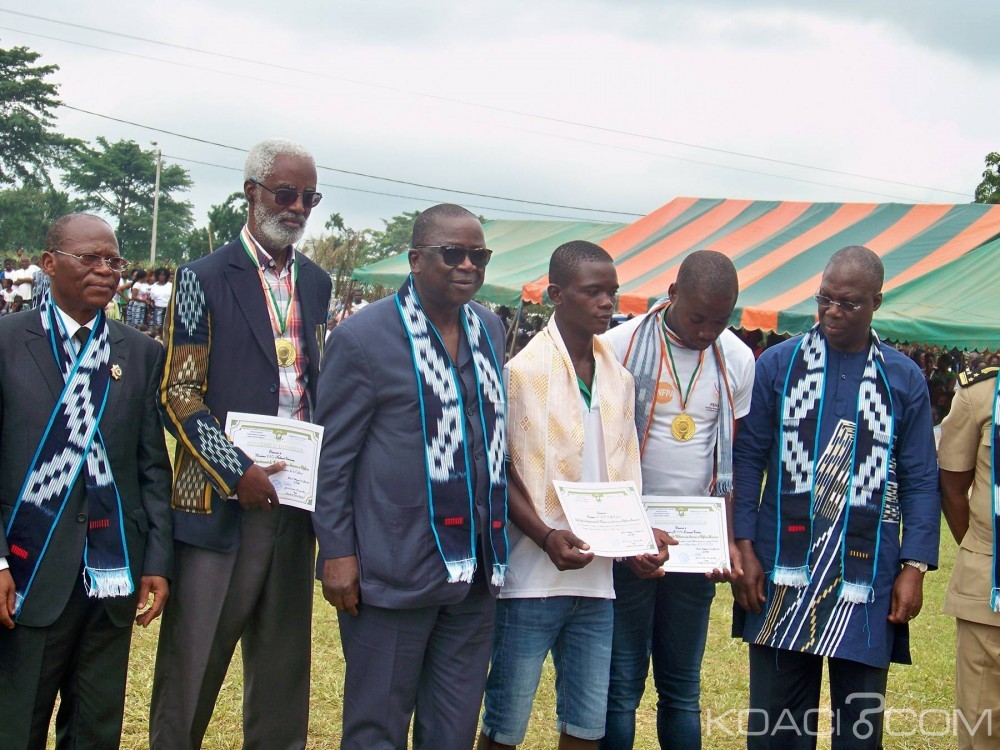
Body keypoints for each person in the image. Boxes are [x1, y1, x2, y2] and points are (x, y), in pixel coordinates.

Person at [149, 138, 332, 750]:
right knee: (193, 669)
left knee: (283, 676)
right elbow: (177, 394)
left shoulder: (317, 282)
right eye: (286, 193)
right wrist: (236, 470)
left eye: (310, 197)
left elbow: (308, 382)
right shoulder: (202, 277)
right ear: (251, 194)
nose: (299, 207)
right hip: (221, 505)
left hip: (292, 502)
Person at [314, 203, 508, 750]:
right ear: (416, 258)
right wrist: (337, 551)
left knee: (451, 730)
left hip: (474, 567)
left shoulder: (489, 328)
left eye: (479, 255)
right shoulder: (363, 338)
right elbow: (332, 461)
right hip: (393, 566)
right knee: (377, 727)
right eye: (453, 254)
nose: (468, 265)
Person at [731, 246, 940, 748]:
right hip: (783, 567)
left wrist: (915, 566)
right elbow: (748, 458)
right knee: (777, 730)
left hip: (866, 579)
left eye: (849, 303)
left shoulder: (903, 378)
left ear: (877, 303)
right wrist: (743, 544)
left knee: (859, 732)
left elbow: (920, 477)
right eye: (825, 299)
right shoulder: (778, 364)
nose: (831, 312)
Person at [478, 241, 671, 750]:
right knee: (505, 722)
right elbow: (502, 474)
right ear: (556, 295)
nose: (608, 302)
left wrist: (638, 537)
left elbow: (621, 473)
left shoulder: (620, 380)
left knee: (587, 724)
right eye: (593, 292)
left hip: (597, 583)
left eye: (613, 292)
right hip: (530, 579)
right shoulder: (521, 374)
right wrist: (544, 536)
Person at [0, 213, 172, 749]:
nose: (106, 271)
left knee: (97, 729)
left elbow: (151, 466)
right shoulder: (7, 342)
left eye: (114, 261)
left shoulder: (140, 353)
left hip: (112, 572)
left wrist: (157, 563)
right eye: (90, 259)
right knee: (15, 724)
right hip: (28, 571)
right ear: (48, 264)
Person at [601, 250, 755, 749]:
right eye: (697, 317)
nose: (708, 329)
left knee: (682, 690)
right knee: (621, 689)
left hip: (695, 547)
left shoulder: (736, 357)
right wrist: (626, 534)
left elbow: (728, 457)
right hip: (629, 542)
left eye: (721, 319)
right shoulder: (618, 346)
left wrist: (726, 541)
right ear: (671, 295)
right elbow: (599, 447)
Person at [939, 363, 1000, 749]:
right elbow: (952, 485)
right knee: (982, 730)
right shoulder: (982, 393)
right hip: (989, 596)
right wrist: (983, 553)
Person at [147, 268, 172, 332]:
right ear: (157, 276)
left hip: (169, 308)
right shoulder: (153, 287)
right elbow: (151, 299)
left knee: (168, 326)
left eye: (163, 275)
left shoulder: (171, 285)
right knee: (158, 327)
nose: (162, 276)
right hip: (158, 308)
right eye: (160, 275)